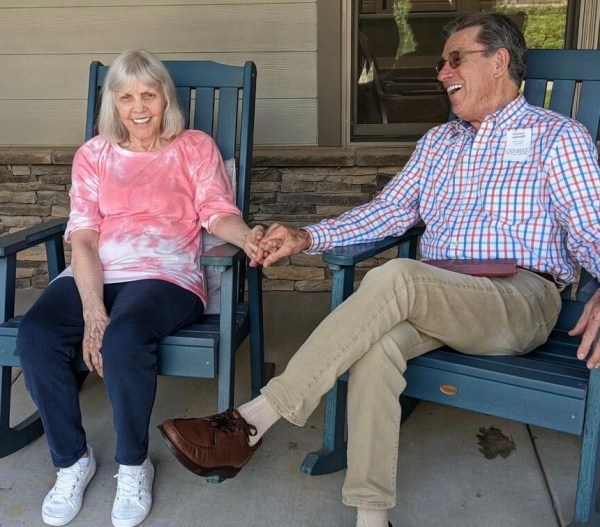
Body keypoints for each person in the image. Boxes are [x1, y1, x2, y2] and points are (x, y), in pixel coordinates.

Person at [158, 13, 600, 527]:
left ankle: (253, 420)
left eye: (455, 59)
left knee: (397, 276)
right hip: (438, 292)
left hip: (518, 299)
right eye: (441, 63)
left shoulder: (557, 137)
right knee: (377, 348)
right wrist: (306, 237)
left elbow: (592, 229)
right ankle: (372, 517)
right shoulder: (439, 143)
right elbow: (387, 212)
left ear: (499, 62)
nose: (442, 72)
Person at [16, 49, 264, 527]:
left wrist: (247, 236)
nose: (139, 107)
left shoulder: (194, 147)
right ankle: (72, 461)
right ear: (113, 102)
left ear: (165, 98)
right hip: (99, 269)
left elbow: (217, 212)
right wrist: (92, 309)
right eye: (126, 97)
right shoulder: (94, 155)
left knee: (125, 337)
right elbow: (84, 237)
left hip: (166, 274)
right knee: (37, 334)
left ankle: (133, 465)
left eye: (148, 95)